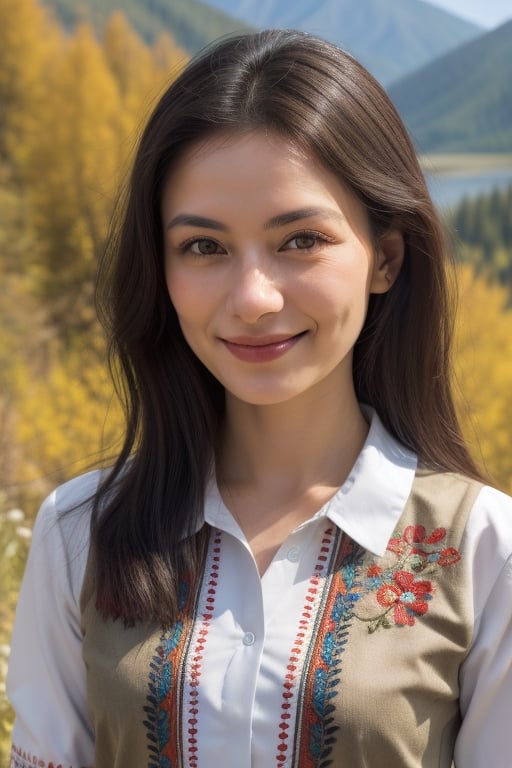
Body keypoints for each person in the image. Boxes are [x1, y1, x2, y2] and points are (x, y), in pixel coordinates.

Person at [7, 28, 512, 768]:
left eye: (300, 240)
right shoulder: (80, 535)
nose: (251, 298)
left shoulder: (484, 552)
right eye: (203, 247)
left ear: (387, 258)